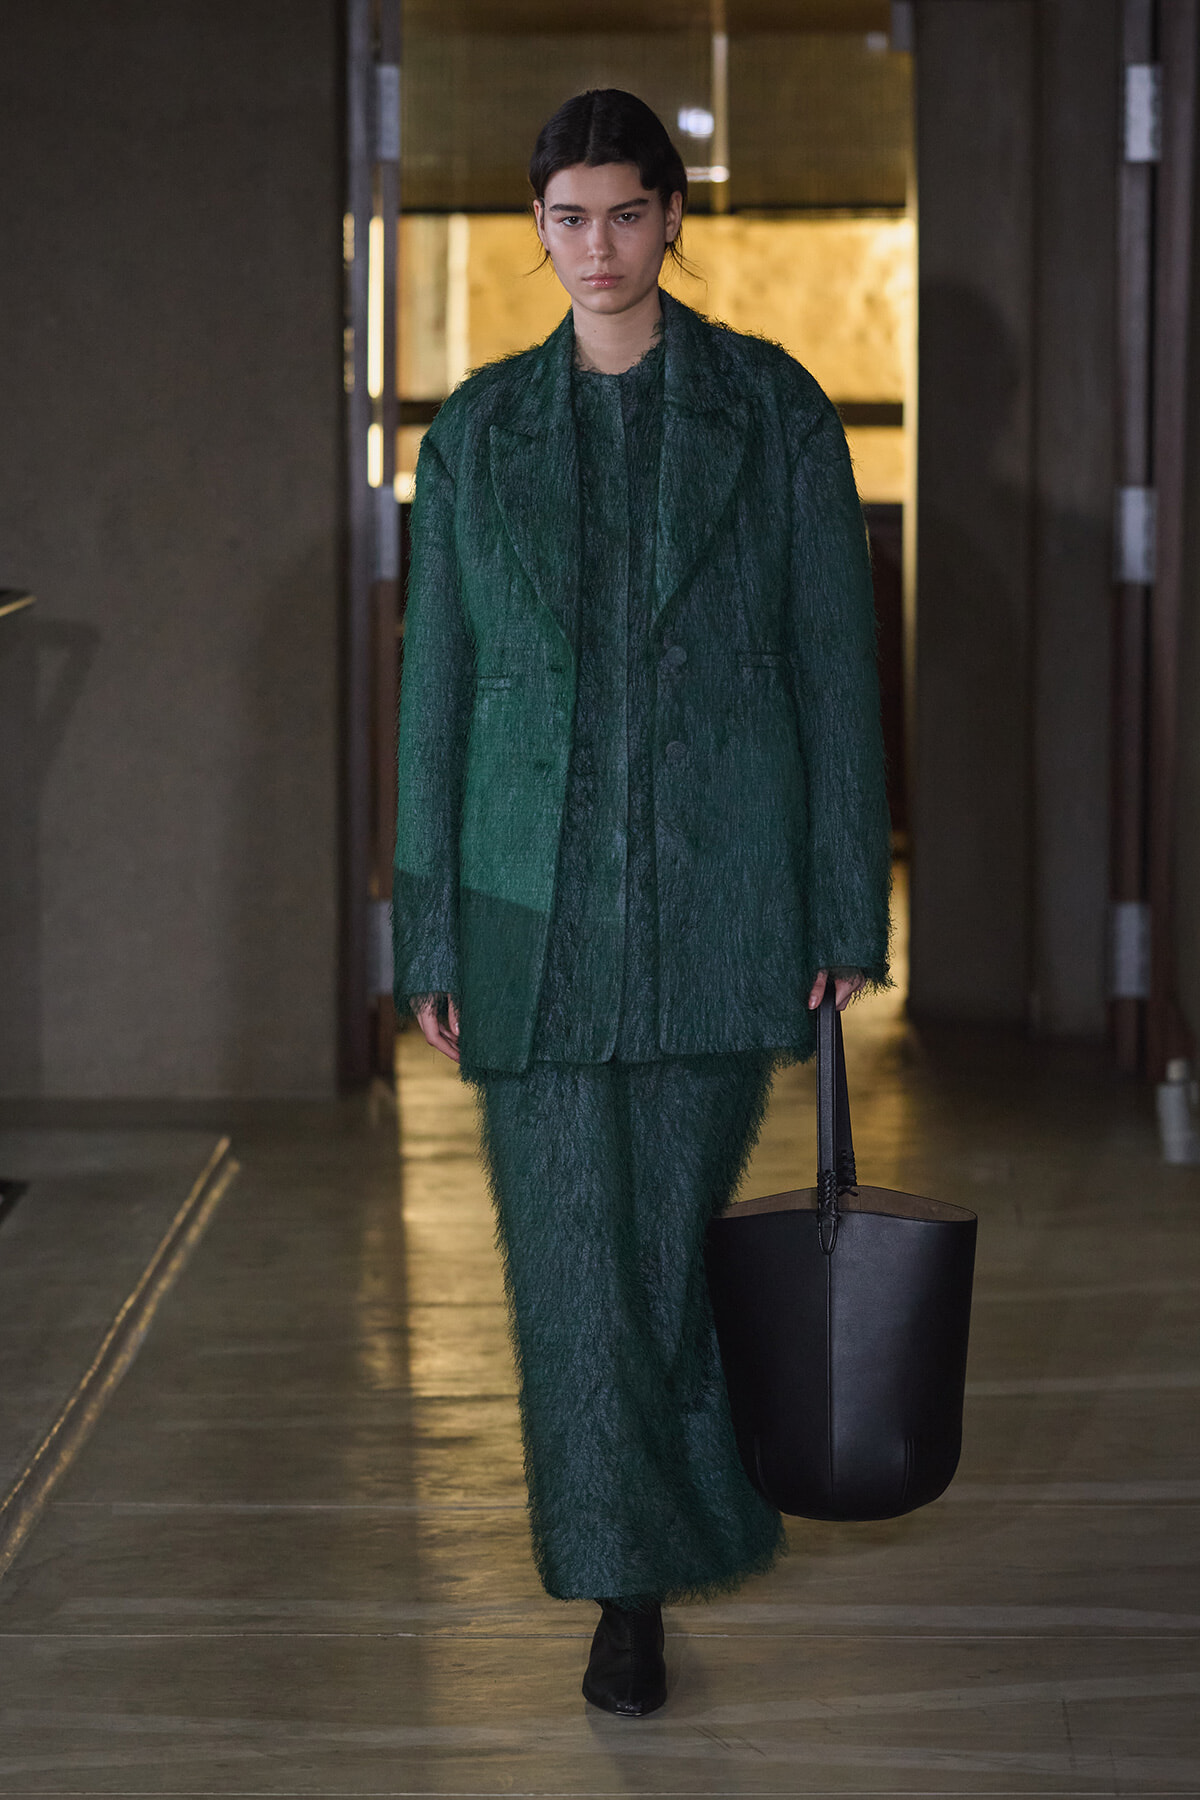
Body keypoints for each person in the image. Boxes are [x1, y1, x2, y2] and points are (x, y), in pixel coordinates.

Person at [393, 88, 890, 1718]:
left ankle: (665, 1547)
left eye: (623, 213)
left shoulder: (773, 410)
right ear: (535, 229)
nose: (594, 247)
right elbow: (436, 696)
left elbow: (835, 669)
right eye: (566, 218)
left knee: (666, 1261)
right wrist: (429, 931)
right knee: (566, 1276)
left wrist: (841, 906)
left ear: (673, 217)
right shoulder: (478, 434)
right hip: (524, 913)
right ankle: (620, 1591)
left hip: (721, 896)